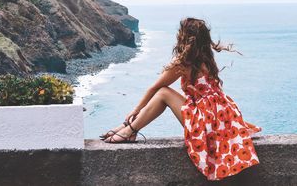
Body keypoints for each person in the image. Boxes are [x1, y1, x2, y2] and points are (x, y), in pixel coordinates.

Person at [100, 17, 261, 181]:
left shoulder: (184, 63)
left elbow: (154, 88)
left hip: (207, 119)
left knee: (163, 93)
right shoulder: (207, 58)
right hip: (222, 116)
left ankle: (129, 130)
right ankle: (128, 127)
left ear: (184, 37)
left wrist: (135, 110)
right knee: (164, 93)